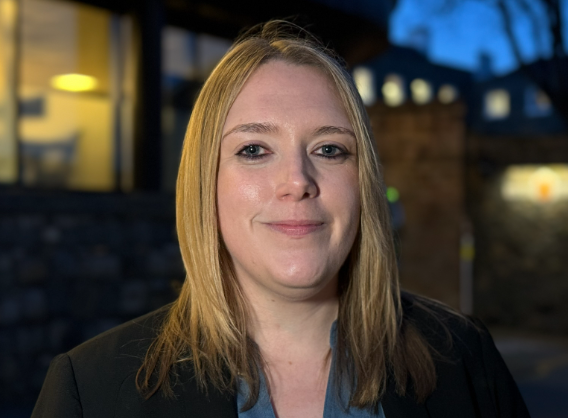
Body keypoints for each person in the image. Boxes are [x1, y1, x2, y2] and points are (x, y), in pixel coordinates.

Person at [32, 21, 530, 418]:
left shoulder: (464, 360)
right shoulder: (90, 392)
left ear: (364, 184)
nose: (297, 180)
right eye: (254, 149)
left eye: (330, 149)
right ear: (207, 183)